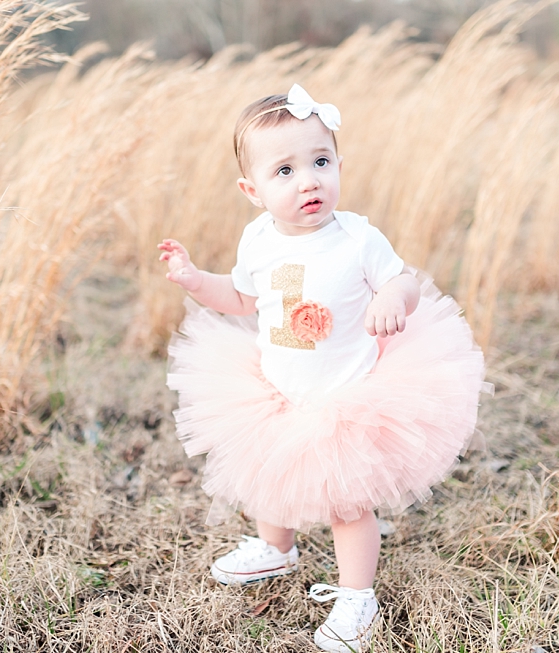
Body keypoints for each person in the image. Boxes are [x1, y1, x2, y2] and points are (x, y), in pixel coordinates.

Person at [158, 84, 487, 652]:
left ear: (338, 164)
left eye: (320, 161)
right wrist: (195, 280)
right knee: (271, 474)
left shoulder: (357, 237)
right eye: (283, 171)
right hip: (278, 388)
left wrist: (393, 299)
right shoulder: (258, 240)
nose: (308, 180)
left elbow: (401, 279)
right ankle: (275, 548)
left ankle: (358, 594)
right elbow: (241, 298)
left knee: (346, 502)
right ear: (252, 191)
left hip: (348, 397)